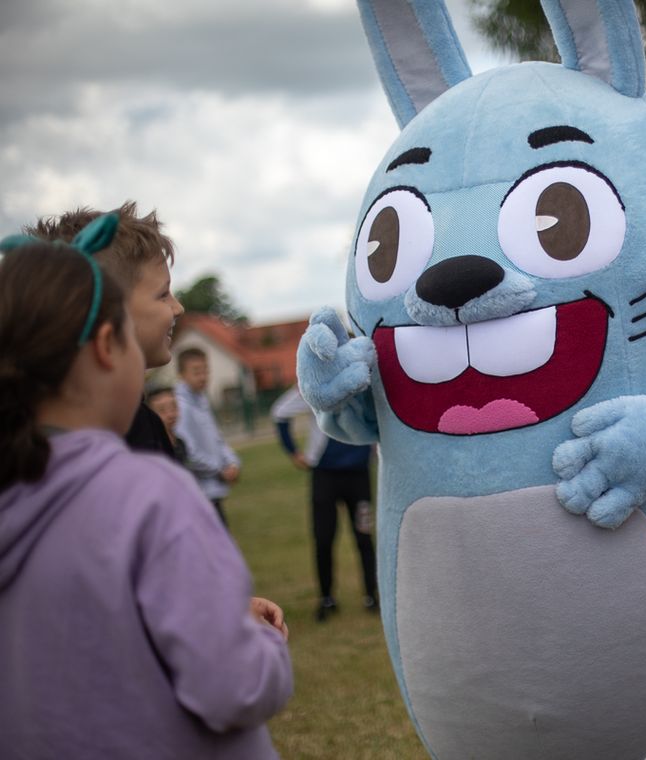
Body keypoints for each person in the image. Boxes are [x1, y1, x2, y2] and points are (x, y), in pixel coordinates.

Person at [0, 230, 292, 759]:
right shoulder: (149, 496)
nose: (176, 307)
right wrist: (264, 646)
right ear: (109, 345)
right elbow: (237, 687)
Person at [26, 202, 184, 458]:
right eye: (163, 294)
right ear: (106, 315)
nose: (178, 308)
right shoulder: (132, 433)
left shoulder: (30, 431)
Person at [271, 385, 379, 621]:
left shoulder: (363, 382)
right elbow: (279, 412)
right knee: (324, 538)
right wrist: (293, 452)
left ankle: (371, 596)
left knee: (364, 537)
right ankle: (327, 599)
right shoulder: (314, 384)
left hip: (358, 475)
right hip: (325, 476)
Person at [175, 347, 240, 527]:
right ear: (181, 374)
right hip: (198, 494)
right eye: (196, 372)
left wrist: (233, 463)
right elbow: (188, 452)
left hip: (214, 491)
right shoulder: (181, 406)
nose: (203, 376)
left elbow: (217, 439)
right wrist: (220, 470)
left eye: (205, 370)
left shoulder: (201, 399)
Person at [146, 385, 187, 463]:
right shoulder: (151, 450)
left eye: (173, 407)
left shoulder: (180, 443)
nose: (170, 414)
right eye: (162, 410)